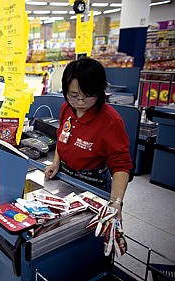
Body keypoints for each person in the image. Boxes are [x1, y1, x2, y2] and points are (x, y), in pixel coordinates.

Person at [44, 58, 132, 219]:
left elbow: (121, 164)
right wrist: (56, 162)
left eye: (87, 96)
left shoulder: (110, 121)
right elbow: (63, 137)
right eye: (74, 95)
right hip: (65, 177)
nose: (80, 102)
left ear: (100, 91)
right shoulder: (67, 108)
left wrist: (116, 201)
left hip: (93, 183)